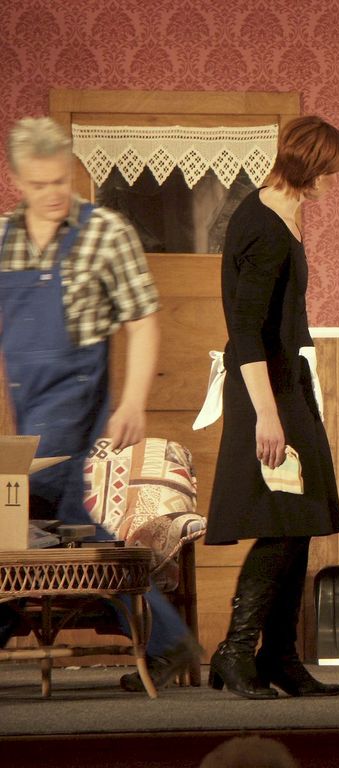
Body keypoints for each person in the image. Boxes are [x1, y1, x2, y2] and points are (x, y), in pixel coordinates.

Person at [0, 116, 199, 689]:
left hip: (74, 404)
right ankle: (165, 641)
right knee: (72, 533)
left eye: (61, 180)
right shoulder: (4, 239)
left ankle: (162, 640)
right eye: (40, 184)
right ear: (18, 180)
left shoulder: (105, 232)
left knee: (25, 521)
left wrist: (133, 401)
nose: (53, 194)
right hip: (23, 406)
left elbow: (142, 320)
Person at [204, 115, 339, 699]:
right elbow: (244, 329)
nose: (332, 182)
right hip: (265, 391)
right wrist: (267, 414)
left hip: (288, 384)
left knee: (301, 520)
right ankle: (236, 651)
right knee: (282, 522)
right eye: (329, 171)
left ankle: (280, 657)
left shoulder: (280, 213)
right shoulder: (262, 225)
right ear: (310, 167)